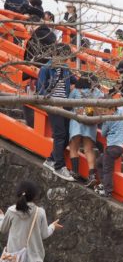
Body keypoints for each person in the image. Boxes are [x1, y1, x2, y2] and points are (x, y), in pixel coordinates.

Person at [0, 181, 63, 262]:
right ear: (34, 196)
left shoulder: (11, 211)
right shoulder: (40, 212)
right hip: (34, 259)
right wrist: (53, 226)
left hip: (14, 258)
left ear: (19, 193)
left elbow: (3, 229)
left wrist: (1, 217)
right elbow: (44, 234)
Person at [37, 43, 78, 181]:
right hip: (53, 105)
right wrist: (51, 103)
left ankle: (51, 160)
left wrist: (88, 82)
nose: (66, 60)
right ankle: (59, 166)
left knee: (67, 134)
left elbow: (75, 81)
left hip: (65, 104)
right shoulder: (46, 69)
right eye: (65, 57)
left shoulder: (65, 68)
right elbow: (41, 90)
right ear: (57, 55)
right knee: (60, 134)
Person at [68, 74, 103, 186]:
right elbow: (104, 102)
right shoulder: (97, 92)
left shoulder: (75, 91)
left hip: (77, 121)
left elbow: (67, 103)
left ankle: (75, 172)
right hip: (90, 122)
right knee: (88, 149)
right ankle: (92, 175)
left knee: (74, 147)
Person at [22, 15, 57, 127]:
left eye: (27, 26)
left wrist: (29, 76)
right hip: (50, 74)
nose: (27, 30)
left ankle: (32, 127)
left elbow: (31, 59)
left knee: (31, 102)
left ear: (32, 24)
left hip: (36, 74)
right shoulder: (51, 35)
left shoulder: (36, 37)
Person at [94, 104, 123, 197]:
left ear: (112, 109)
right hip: (120, 146)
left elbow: (103, 134)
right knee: (99, 162)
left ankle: (107, 190)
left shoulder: (107, 120)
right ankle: (103, 184)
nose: (104, 113)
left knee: (107, 169)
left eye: (105, 111)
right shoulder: (121, 111)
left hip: (112, 146)